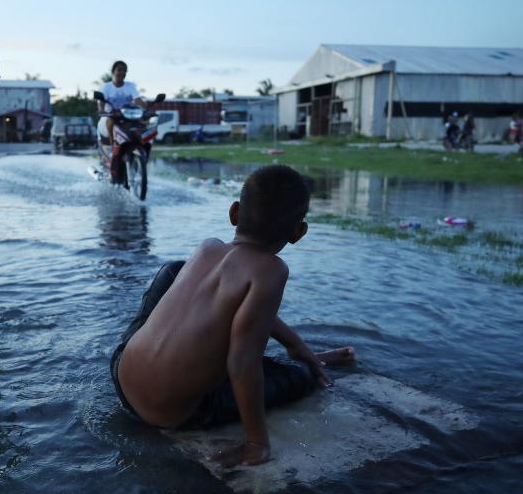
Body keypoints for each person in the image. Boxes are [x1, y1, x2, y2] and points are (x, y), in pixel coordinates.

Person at [110, 165, 356, 467]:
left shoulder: (208, 247)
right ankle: (309, 363)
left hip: (121, 373)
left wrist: (294, 342)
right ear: (298, 232)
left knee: (175, 270)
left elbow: (239, 310)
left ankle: (301, 354)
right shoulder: (272, 270)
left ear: (235, 212)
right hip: (172, 414)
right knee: (299, 378)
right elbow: (241, 362)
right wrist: (256, 442)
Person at [97, 60, 145, 146]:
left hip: (127, 115)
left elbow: (138, 100)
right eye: (119, 70)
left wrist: (146, 109)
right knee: (111, 121)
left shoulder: (130, 86)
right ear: (113, 72)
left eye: (124, 70)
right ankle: (113, 145)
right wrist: (101, 110)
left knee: (141, 124)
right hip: (111, 115)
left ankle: (140, 145)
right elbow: (101, 102)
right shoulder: (106, 87)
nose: (122, 72)